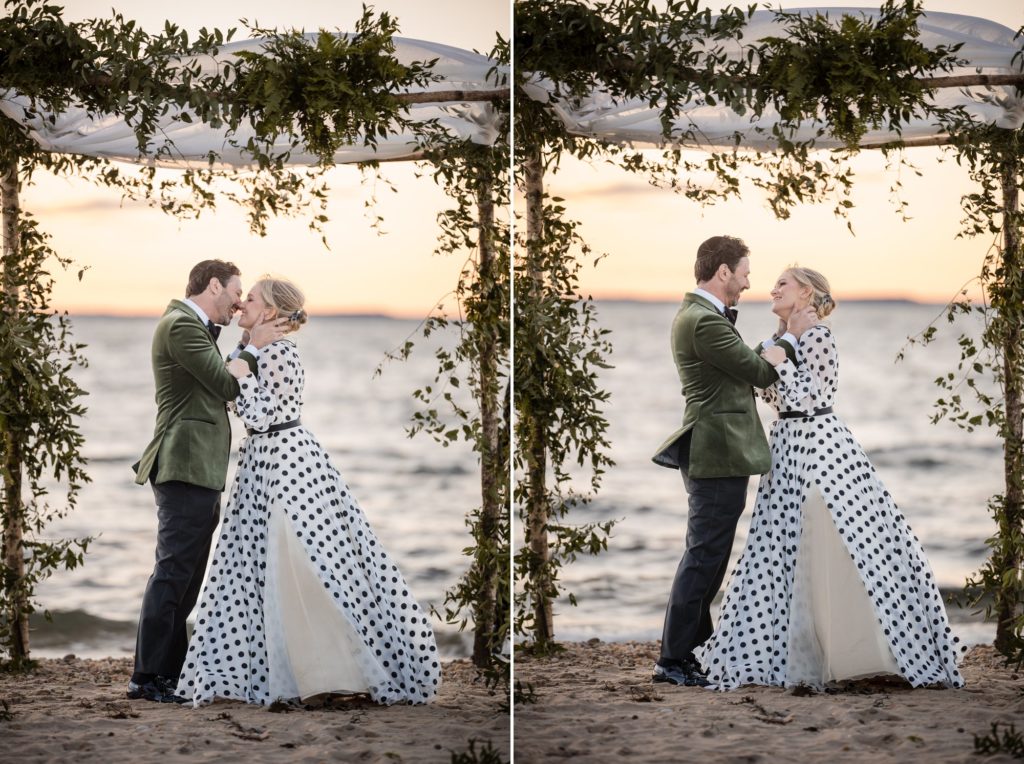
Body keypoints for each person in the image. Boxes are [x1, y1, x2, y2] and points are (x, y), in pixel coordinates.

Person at [175, 276, 441, 706]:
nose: (242, 304)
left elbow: (262, 415)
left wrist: (244, 366)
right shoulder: (254, 350)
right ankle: (288, 673)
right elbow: (229, 389)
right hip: (261, 466)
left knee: (298, 564)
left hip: (286, 465)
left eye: (252, 300)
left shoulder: (280, 353)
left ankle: (328, 676)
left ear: (271, 313)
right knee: (261, 569)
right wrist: (245, 357)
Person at [698, 267, 965, 690]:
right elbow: (770, 396)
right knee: (782, 547)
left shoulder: (819, 336)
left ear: (806, 292)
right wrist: (776, 357)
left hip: (822, 447)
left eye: (782, 284)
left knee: (835, 539)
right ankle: (793, 648)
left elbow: (818, 396)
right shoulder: (771, 343)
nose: (772, 289)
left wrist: (782, 363)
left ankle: (857, 651)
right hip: (785, 447)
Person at [650, 236, 817, 688]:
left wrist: (774, 344)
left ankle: (685, 655)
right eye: (744, 272)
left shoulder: (702, 317)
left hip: (721, 449)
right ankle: (672, 660)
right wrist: (792, 338)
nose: (748, 282)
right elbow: (760, 372)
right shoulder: (704, 321)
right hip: (717, 450)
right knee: (704, 557)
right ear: (723, 272)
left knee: (710, 556)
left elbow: (746, 363)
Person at [129, 260, 285, 703]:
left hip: (201, 469)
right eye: (235, 291)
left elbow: (216, 375)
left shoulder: (194, 327)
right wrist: (254, 345)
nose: (239, 301)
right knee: (172, 574)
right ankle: (145, 678)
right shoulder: (180, 325)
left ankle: (168, 675)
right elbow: (224, 385)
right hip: (183, 465)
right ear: (213, 284)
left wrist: (241, 343)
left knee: (187, 580)